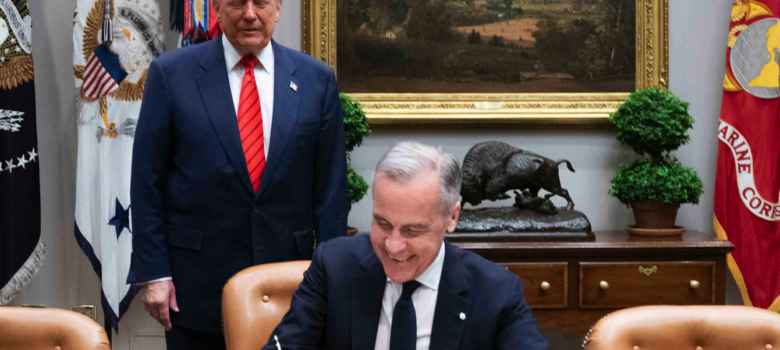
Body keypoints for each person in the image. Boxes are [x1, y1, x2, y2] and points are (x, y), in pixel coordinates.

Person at [126, 0, 348, 348]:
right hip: (196, 290)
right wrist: (153, 273)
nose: (249, 13)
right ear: (216, 9)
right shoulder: (171, 74)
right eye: (235, 3)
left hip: (291, 290)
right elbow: (146, 184)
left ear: (277, 8)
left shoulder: (315, 80)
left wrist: (335, 278)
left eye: (260, 2)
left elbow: (331, 193)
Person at [263, 142, 548, 350]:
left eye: (413, 230)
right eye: (383, 223)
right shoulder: (334, 266)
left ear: (452, 216)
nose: (394, 246)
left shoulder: (496, 292)